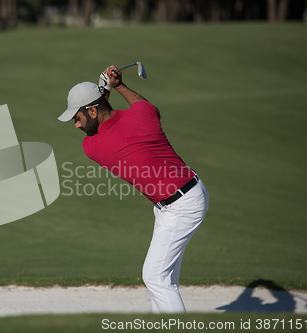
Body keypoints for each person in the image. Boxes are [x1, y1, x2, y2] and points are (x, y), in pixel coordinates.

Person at [57, 66, 209, 313]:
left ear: (92, 110)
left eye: (77, 117)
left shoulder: (93, 146)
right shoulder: (142, 115)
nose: (76, 125)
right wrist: (118, 86)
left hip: (181, 206)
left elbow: (104, 124)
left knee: (155, 278)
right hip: (185, 196)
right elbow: (146, 107)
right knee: (164, 280)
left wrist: (105, 90)